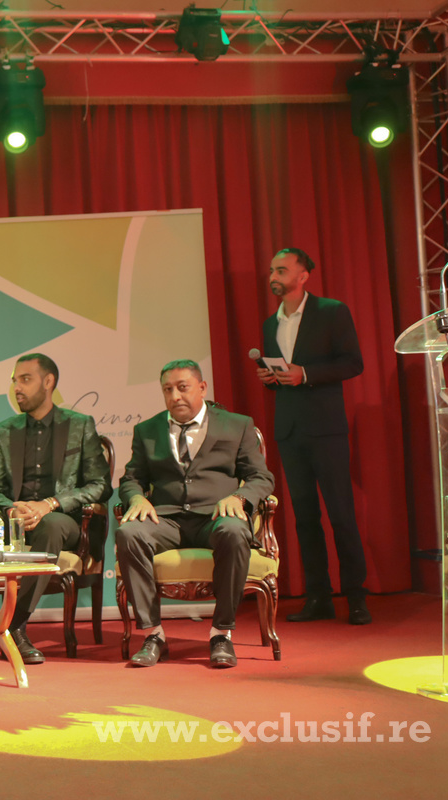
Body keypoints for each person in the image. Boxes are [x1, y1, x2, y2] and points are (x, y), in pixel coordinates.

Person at [0, 353, 112, 665]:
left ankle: (13, 626)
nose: (17, 388)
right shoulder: (5, 430)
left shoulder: (79, 426)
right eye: (15, 381)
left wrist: (50, 504)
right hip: (13, 518)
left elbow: (100, 485)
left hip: (60, 519)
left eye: (25, 379)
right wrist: (11, 509)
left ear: (48, 382)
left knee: (51, 525)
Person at [116, 360, 274, 668]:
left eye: (182, 387)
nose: (175, 396)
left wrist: (240, 497)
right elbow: (131, 478)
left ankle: (221, 634)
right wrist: (136, 498)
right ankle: (153, 635)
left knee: (235, 530)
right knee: (128, 532)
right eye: (167, 390)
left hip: (215, 517)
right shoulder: (147, 430)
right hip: (166, 520)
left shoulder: (237, 425)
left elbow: (261, 477)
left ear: (202, 388)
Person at [257, 247, 371, 625]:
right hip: (290, 431)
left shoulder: (331, 312)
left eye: (282, 270)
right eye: (272, 270)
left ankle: (356, 596)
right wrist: (271, 378)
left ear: (303, 275)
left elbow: (353, 362)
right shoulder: (270, 324)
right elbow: (281, 379)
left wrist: (305, 374)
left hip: (326, 429)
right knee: (305, 518)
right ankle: (318, 596)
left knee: (341, 513)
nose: (274, 276)